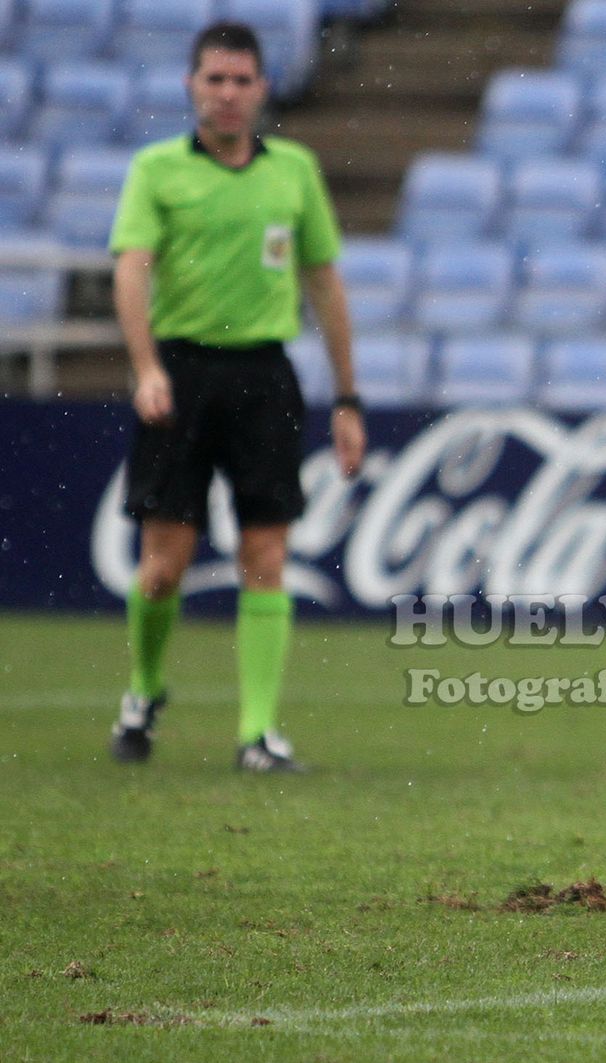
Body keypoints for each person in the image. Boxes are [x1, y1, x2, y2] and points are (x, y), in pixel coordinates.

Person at [106, 22, 365, 772]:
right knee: (164, 565)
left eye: (240, 80)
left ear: (262, 89)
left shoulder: (294, 171)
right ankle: (144, 688)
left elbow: (324, 282)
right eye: (214, 79)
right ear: (192, 86)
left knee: (266, 553)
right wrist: (146, 367)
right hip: (181, 372)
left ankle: (257, 734)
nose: (227, 93)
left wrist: (348, 397)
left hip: (264, 377)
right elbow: (131, 268)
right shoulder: (157, 169)